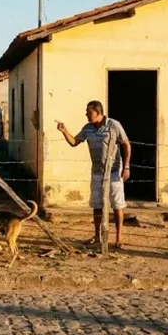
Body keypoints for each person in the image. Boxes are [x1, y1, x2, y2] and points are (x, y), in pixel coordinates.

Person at [57, 100, 131, 249]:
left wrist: (127, 166)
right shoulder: (88, 128)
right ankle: (97, 235)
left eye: (89, 113)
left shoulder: (114, 125)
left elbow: (126, 144)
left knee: (117, 205)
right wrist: (64, 131)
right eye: (87, 112)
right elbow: (74, 142)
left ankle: (118, 237)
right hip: (97, 171)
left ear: (99, 112)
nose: (87, 115)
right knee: (97, 205)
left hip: (114, 171)